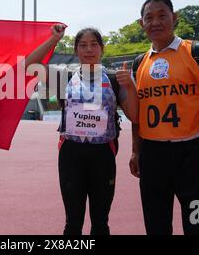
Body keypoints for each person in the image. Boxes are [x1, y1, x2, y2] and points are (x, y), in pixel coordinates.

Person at [129, 0, 199, 235]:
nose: (155, 22)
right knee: (157, 227)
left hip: (194, 158)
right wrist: (136, 151)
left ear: (174, 18)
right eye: (149, 17)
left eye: (162, 15)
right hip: (153, 158)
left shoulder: (198, 52)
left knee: (198, 225)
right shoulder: (138, 64)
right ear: (141, 24)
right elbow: (138, 115)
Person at [26, 25, 138, 235]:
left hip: (103, 155)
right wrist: (54, 39)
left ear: (102, 49)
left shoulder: (114, 79)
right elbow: (30, 65)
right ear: (76, 50)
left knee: (100, 221)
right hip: (71, 155)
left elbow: (134, 116)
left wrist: (130, 87)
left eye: (94, 44)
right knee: (73, 222)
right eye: (83, 45)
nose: (89, 50)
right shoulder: (64, 78)